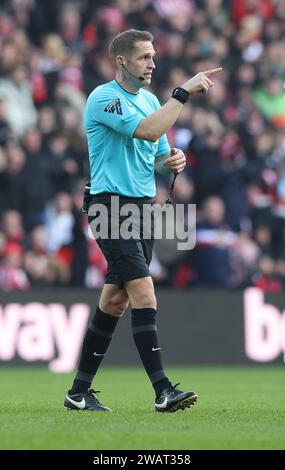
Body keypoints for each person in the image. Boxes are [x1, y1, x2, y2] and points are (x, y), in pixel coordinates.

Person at [64, 29, 222, 412]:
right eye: (144, 57)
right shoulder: (104, 98)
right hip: (110, 207)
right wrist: (182, 93)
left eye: (153, 56)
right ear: (122, 61)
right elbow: (148, 129)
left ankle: (78, 392)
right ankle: (163, 390)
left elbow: (156, 150)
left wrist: (172, 161)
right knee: (144, 293)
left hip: (143, 209)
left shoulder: (150, 99)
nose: (152, 63)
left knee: (115, 300)